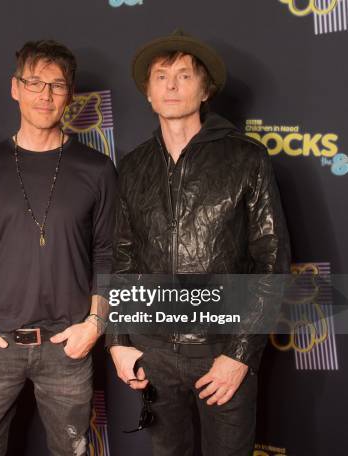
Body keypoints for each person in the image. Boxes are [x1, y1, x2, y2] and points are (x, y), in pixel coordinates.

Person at [107, 30, 291, 456]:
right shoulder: (133, 167)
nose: (172, 85)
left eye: (184, 75)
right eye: (161, 76)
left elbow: (272, 260)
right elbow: (123, 257)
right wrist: (117, 340)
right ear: (148, 93)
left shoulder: (247, 157)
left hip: (221, 353)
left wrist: (240, 354)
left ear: (205, 89)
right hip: (153, 355)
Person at [0, 40, 117, 456]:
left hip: (67, 346)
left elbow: (107, 252)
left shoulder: (97, 170)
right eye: (34, 83)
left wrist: (94, 325)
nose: (45, 95)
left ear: (69, 95)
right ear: (15, 88)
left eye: (56, 85)